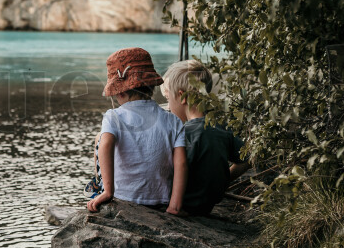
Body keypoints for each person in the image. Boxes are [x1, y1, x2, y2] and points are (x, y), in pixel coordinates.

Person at [86, 47, 187, 215]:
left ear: (120, 93)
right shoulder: (173, 120)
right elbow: (181, 163)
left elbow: (105, 146)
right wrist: (174, 205)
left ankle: (101, 189)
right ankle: (174, 203)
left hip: (121, 196)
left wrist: (109, 193)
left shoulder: (113, 116)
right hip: (159, 199)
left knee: (100, 139)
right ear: (151, 86)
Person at [161, 60, 250, 215]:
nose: (168, 106)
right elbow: (247, 159)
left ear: (182, 97)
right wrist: (222, 181)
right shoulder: (221, 128)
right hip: (206, 206)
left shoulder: (184, 133)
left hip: (181, 204)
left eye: (168, 99)